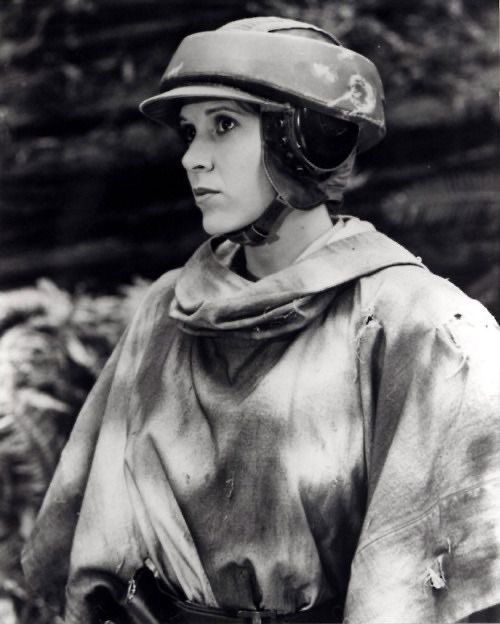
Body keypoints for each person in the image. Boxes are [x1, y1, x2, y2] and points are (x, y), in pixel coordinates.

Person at [21, 16, 500, 624]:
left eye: (224, 125)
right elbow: (95, 535)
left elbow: (422, 581)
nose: (193, 158)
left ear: (305, 140)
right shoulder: (167, 311)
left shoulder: (418, 326)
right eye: (189, 132)